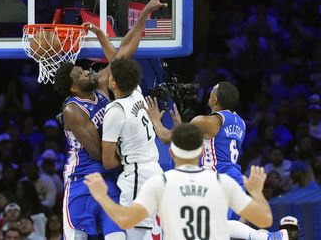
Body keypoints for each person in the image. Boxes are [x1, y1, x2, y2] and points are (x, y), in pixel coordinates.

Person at [53, 0, 170, 240]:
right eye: (81, 74)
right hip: (82, 181)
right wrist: (130, 152)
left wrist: (145, 13)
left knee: (119, 235)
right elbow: (98, 152)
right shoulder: (72, 109)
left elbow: (125, 51)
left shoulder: (102, 85)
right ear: (74, 87)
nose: (87, 72)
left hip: (111, 177)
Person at [145, 82, 288, 240]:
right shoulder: (240, 122)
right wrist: (180, 127)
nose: (209, 94)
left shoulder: (205, 121)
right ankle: (267, 236)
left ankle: (266, 237)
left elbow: (166, 138)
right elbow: (212, 144)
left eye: (212, 92)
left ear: (215, 99)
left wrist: (155, 120)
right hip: (234, 178)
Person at [84, 123, 273, 240]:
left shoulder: (159, 184)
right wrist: (256, 192)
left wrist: (102, 196)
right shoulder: (223, 183)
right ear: (201, 152)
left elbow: (125, 218)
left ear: (172, 153)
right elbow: (264, 219)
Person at [101, 59, 163, 240]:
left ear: (113, 83)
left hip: (138, 174)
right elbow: (118, 60)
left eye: (110, 76)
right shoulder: (137, 92)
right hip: (154, 169)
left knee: (136, 233)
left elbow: (107, 161)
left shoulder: (115, 110)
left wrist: (122, 158)